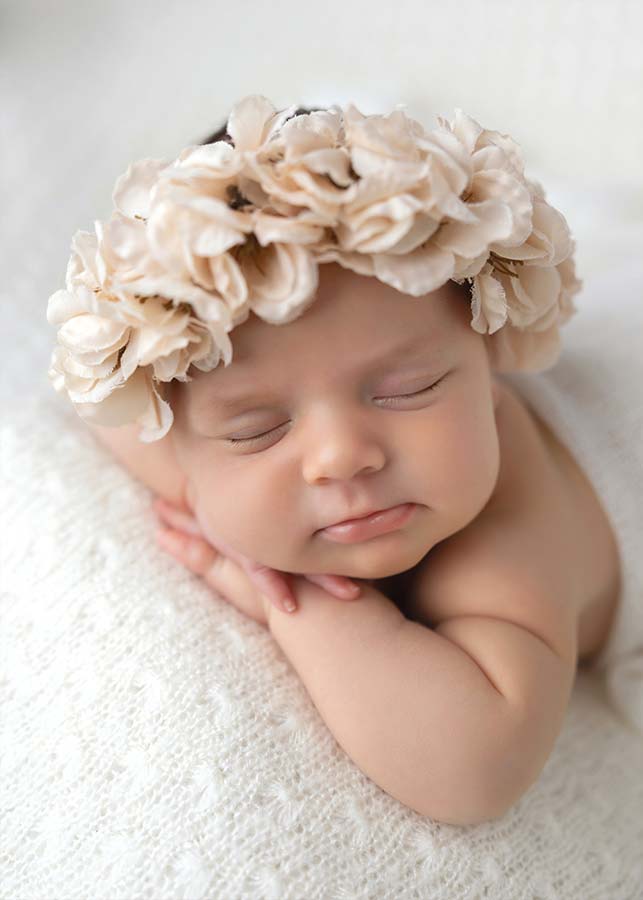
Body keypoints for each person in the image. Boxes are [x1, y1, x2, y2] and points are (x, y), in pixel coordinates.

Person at [45, 94, 639, 825]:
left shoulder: (513, 536)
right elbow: (106, 401)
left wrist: (295, 601)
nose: (339, 458)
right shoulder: (180, 399)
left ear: (488, 355)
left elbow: (471, 769)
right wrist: (216, 497)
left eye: (407, 390)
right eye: (256, 430)